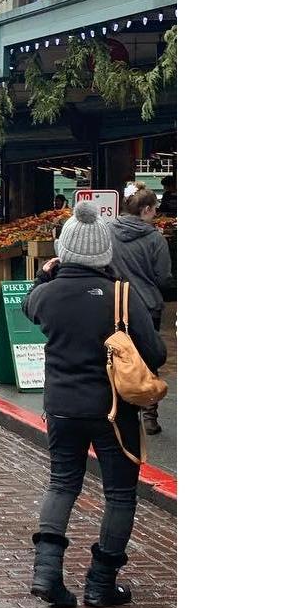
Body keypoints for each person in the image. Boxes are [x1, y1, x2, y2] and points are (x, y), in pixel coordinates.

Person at [23, 201, 166, 608]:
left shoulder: (45, 296)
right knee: (120, 494)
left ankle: (46, 573)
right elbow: (154, 353)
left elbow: (28, 306)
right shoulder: (121, 295)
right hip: (113, 410)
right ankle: (101, 582)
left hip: (61, 407)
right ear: (104, 252)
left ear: (64, 250)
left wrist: (43, 274)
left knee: (62, 482)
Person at [108, 186, 173, 436]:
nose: (156, 213)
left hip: (116, 303)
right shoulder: (155, 238)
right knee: (148, 357)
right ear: (145, 209)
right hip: (147, 304)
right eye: (155, 209)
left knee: (119, 355)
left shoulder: (109, 231)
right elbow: (163, 277)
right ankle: (149, 415)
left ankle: (121, 409)